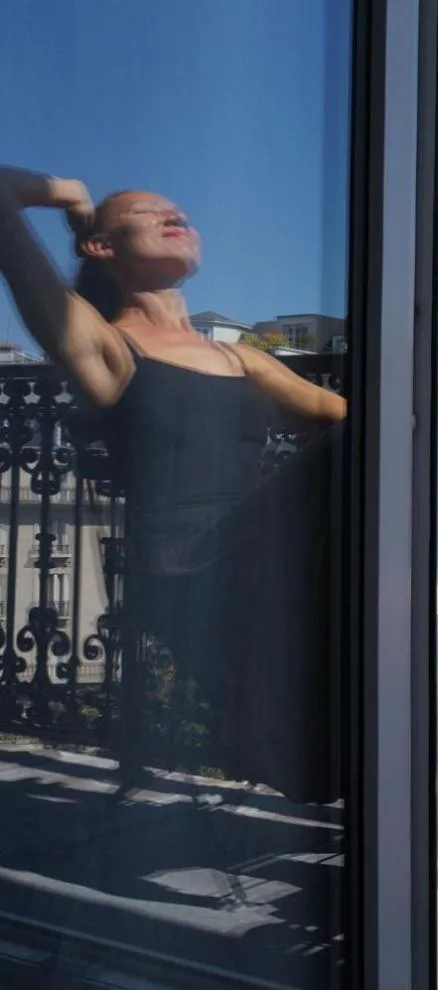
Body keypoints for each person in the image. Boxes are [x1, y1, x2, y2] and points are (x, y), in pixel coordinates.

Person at [0, 175, 347, 802]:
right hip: (185, 555)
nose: (174, 214)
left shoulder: (241, 358)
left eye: (178, 210)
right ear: (102, 247)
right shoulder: (103, 342)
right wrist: (69, 195)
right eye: (147, 212)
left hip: (252, 542)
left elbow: (349, 418)